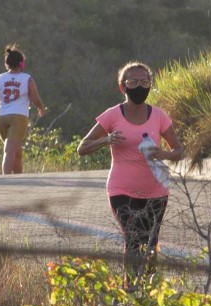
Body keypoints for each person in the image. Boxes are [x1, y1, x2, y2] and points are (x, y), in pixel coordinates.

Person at [77, 61, 184, 289]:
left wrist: (163, 152)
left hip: (156, 189)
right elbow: (82, 148)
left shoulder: (158, 116)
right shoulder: (111, 115)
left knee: (151, 243)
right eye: (133, 82)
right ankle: (131, 288)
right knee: (133, 238)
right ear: (122, 87)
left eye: (145, 82)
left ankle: (150, 290)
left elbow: (179, 150)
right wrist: (106, 140)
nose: (139, 87)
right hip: (121, 189)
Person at [0, 44, 46, 174]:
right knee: (9, 150)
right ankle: (6, 178)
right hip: (18, 118)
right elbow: (35, 98)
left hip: (1, 118)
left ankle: (19, 177)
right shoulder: (27, 79)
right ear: (21, 63)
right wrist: (41, 108)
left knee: (16, 151)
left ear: (7, 63)